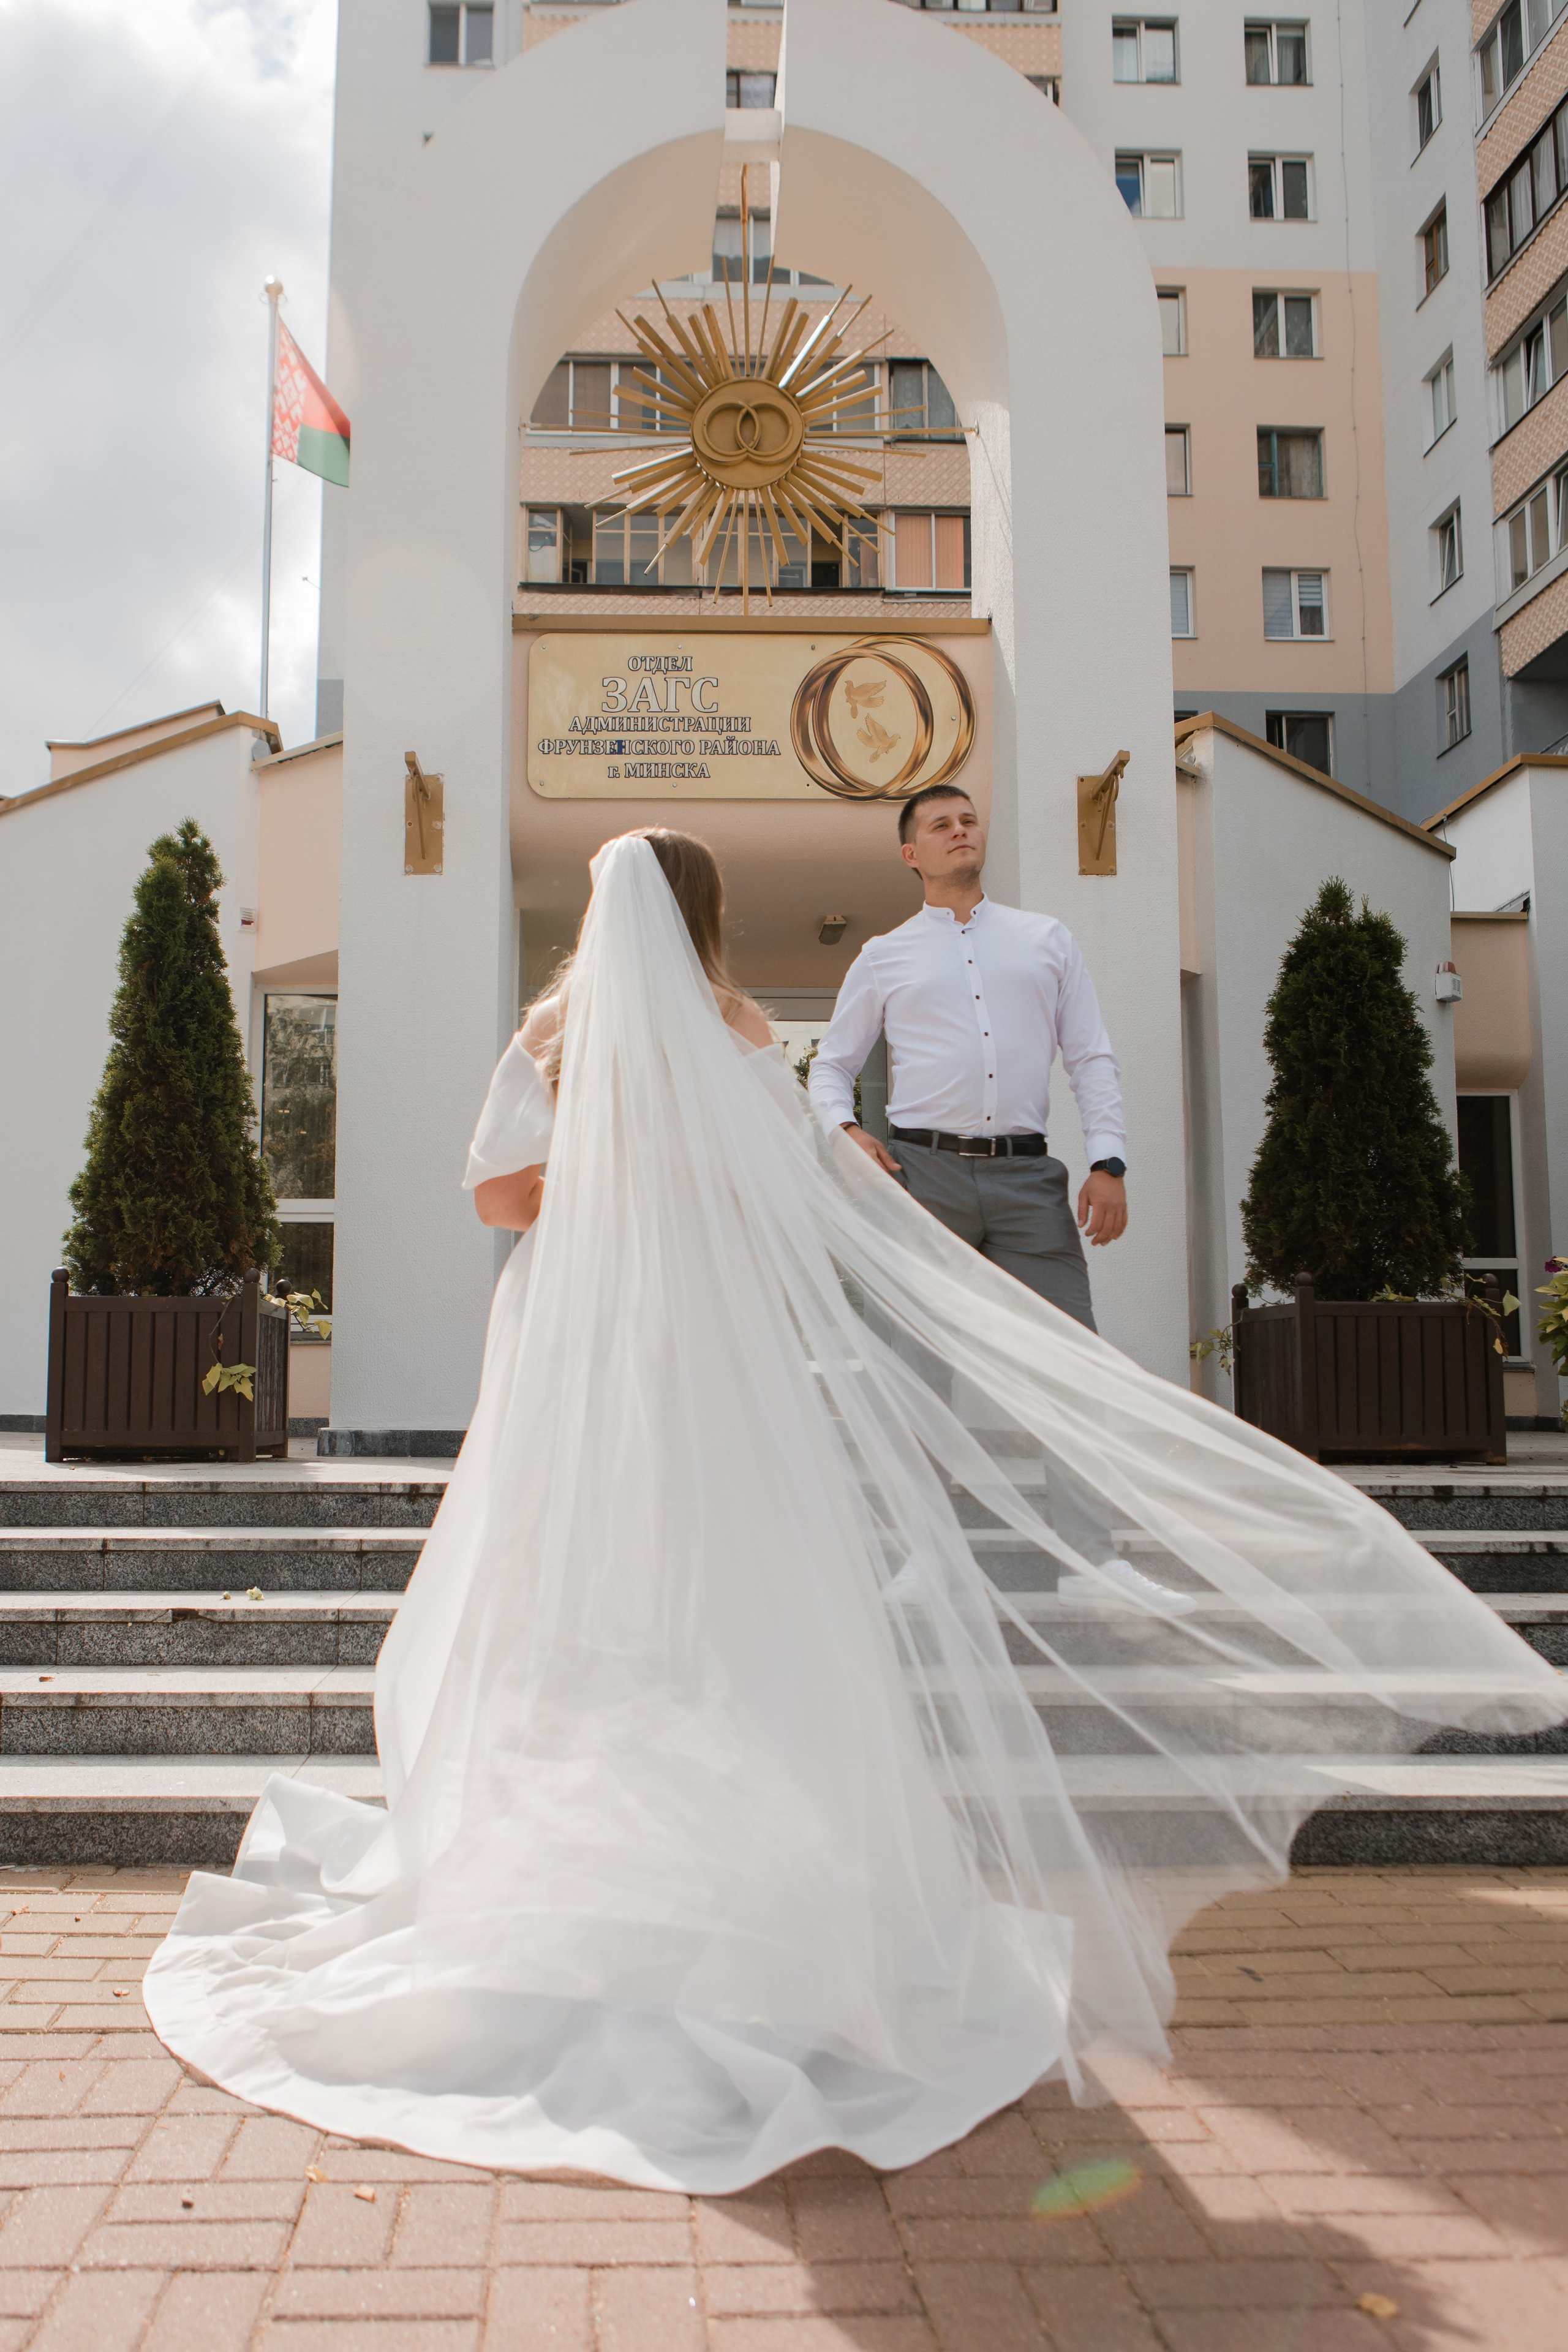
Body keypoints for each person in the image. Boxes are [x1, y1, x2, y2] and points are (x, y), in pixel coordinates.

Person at [143, 827, 1563, 2195]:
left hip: (590, 1354)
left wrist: (611, 1173)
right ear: (704, 912)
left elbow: (497, 1197)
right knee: (741, 1597)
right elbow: (792, 1189)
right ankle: (744, 1895)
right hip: (718, 1353)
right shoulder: (752, 1033)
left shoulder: (554, 1035)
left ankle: (584, 1877)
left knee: (588, 1586)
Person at [809, 782, 1170, 1607]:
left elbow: (1091, 1058)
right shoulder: (884, 956)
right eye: (940, 825)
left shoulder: (1046, 940)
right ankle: (928, 1559)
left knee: (1069, 1365)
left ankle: (1092, 1563)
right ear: (912, 855)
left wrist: (1108, 1162)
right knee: (918, 1373)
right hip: (921, 1178)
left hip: (1027, 1179)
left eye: (968, 819)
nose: (959, 831)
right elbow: (830, 1066)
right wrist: (844, 1131)